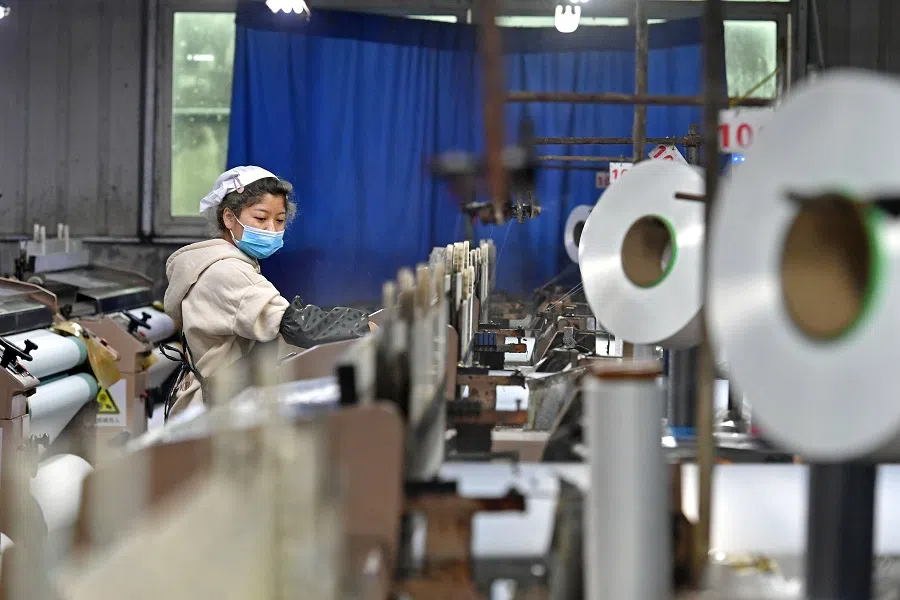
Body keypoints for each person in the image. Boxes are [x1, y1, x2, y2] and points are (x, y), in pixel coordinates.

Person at [163, 166, 372, 417]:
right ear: (229, 218)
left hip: (219, 395)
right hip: (214, 409)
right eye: (261, 218)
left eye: (280, 220)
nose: (272, 229)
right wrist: (363, 326)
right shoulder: (227, 271)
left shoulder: (222, 263)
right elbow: (296, 325)